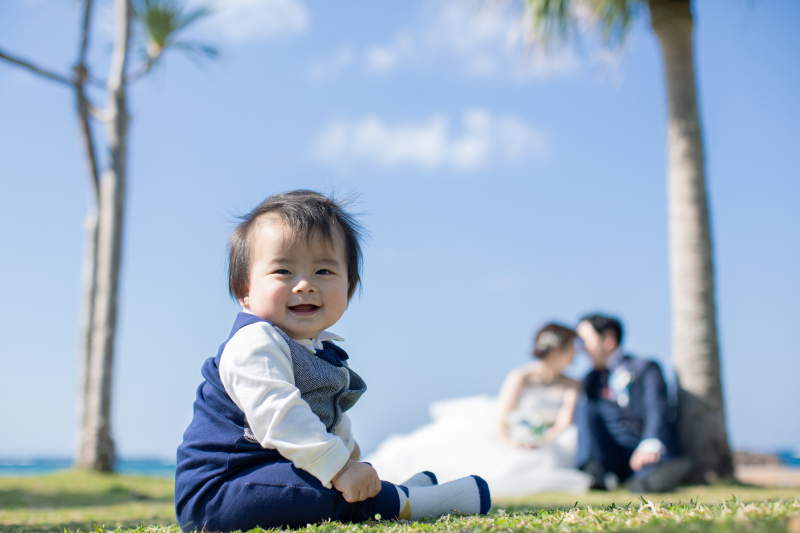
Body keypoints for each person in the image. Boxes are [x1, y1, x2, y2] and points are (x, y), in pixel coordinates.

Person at [175, 191, 490, 532]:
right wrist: (340, 468)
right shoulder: (254, 343)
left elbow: (324, 410)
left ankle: (397, 493)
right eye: (283, 270)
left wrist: (349, 453)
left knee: (330, 479)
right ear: (244, 290)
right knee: (328, 488)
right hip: (221, 493)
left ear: (350, 288)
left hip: (271, 474)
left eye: (324, 270)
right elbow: (280, 415)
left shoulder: (314, 348)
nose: (305, 285)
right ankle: (414, 502)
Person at [365, 323, 592, 496]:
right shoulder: (521, 377)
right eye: (572, 346)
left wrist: (543, 439)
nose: (576, 353)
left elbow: (564, 421)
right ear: (557, 349)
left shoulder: (572, 384)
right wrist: (513, 440)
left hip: (549, 439)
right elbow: (504, 417)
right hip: (512, 434)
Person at [576, 313, 692, 492]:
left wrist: (650, 441)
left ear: (608, 338)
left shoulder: (645, 367)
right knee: (585, 408)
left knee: (650, 476)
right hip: (612, 454)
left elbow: (657, 407)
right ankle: (596, 472)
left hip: (643, 450)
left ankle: (654, 476)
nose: (582, 348)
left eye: (585, 340)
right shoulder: (590, 379)